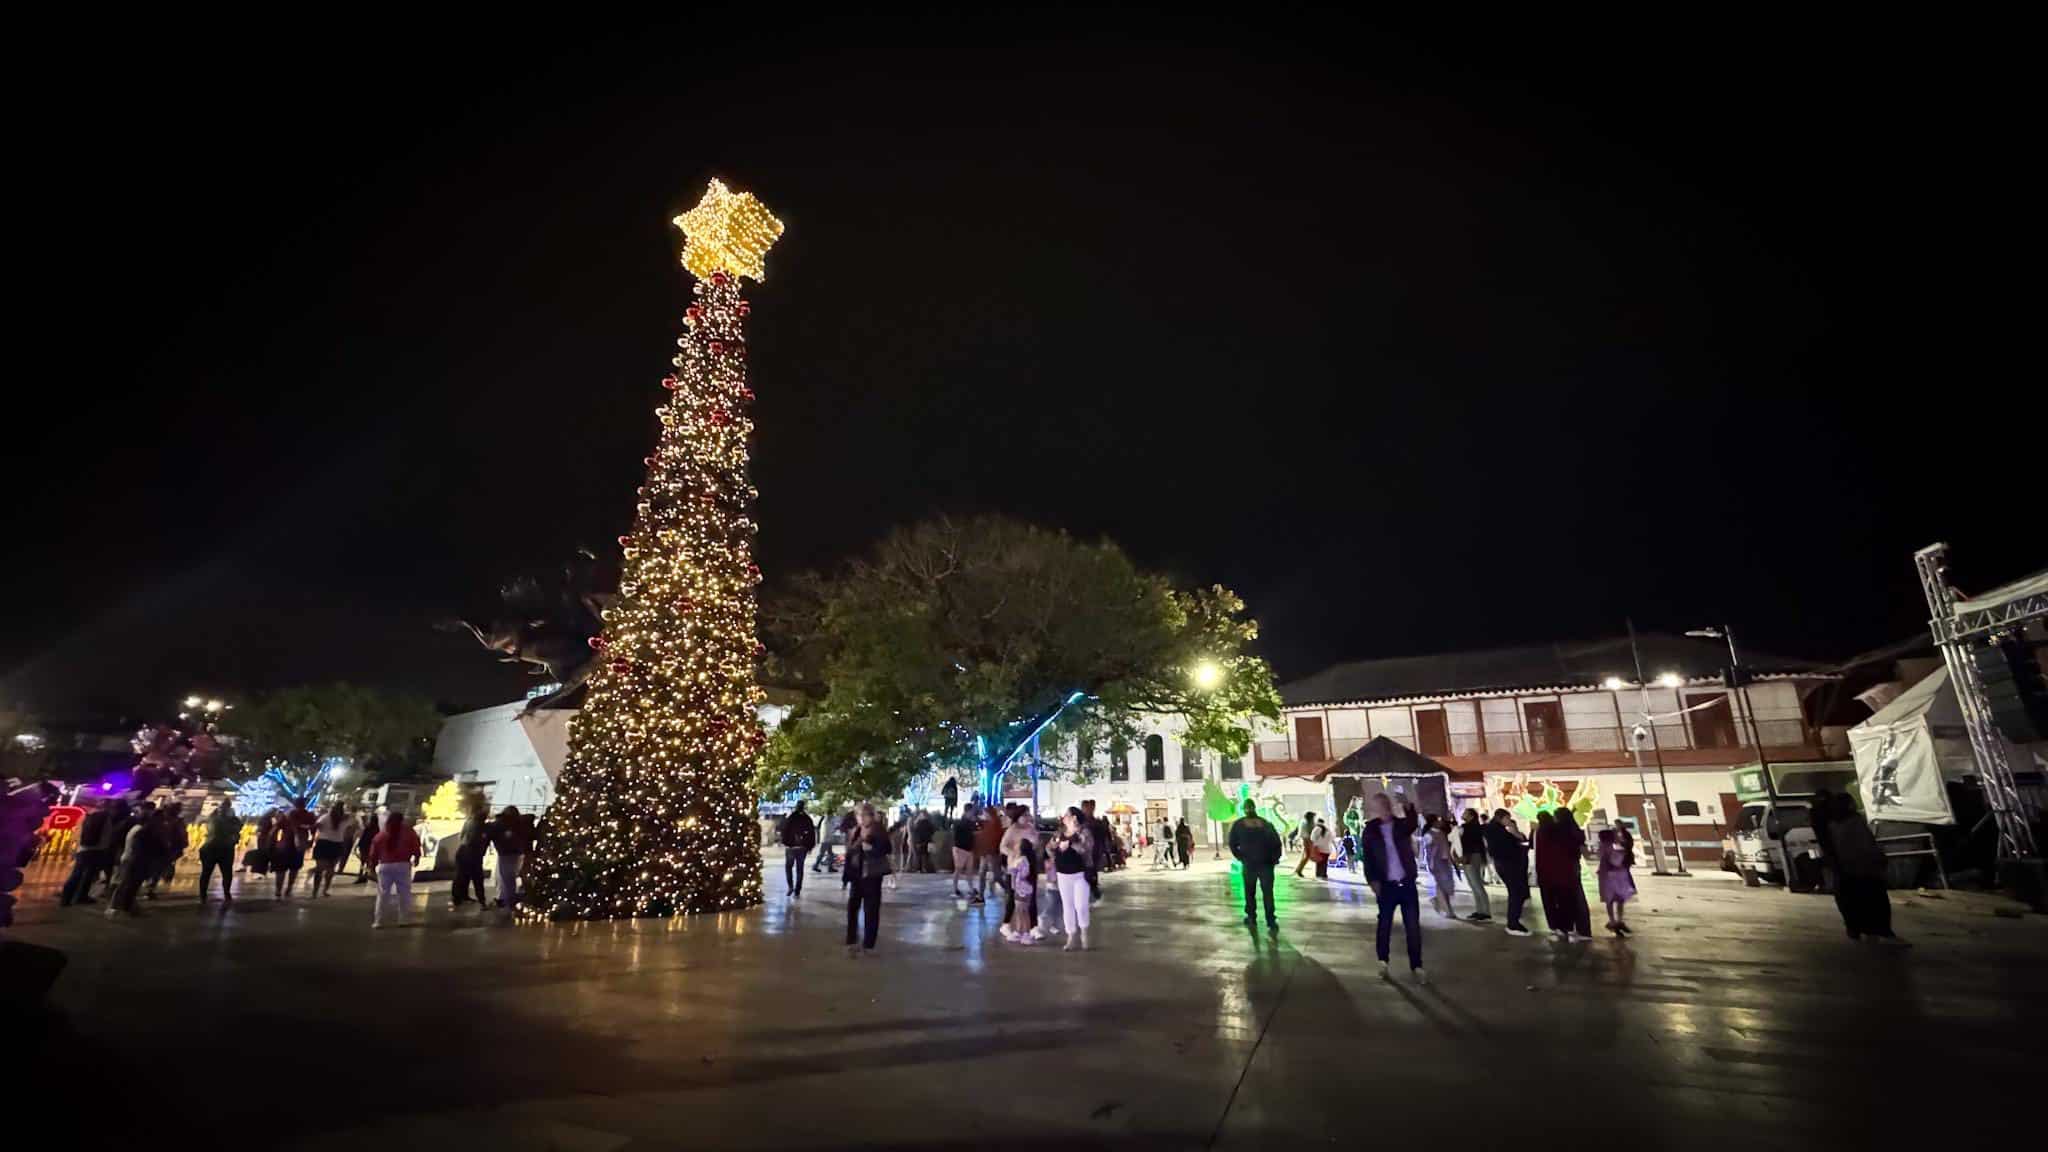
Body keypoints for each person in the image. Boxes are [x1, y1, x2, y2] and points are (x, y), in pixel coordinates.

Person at [1360, 792, 1425, 982]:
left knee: (1412, 926)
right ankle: (1383, 962)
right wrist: (1372, 881)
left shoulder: (1400, 825)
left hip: (1406, 883)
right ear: (1374, 809)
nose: (1382, 808)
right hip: (1386, 885)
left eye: (1384, 804)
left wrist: (1407, 805)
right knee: (1384, 924)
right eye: (1378, 805)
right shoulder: (1371, 830)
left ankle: (1417, 965)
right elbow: (1368, 858)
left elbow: (1412, 823)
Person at [1826, 793, 1904, 944]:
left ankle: (1858, 930)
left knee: (1853, 902)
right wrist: (1879, 858)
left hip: (1847, 870)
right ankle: (1882, 932)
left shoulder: (1832, 824)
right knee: (1876, 901)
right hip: (1864, 869)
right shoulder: (1854, 822)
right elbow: (1865, 845)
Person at [1535, 809, 1592, 941]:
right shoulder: (1573, 830)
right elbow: (1581, 849)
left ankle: (1563, 929)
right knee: (1574, 900)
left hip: (1552, 872)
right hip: (1571, 870)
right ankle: (1579, 930)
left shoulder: (1548, 831)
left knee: (1558, 901)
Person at [1227, 797, 1281, 932]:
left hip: (1250, 864)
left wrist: (1240, 857)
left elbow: (1232, 843)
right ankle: (1270, 919)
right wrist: (1274, 859)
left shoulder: (1239, 825)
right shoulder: (1265, 823)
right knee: (1267, 892)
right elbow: (1277, 842)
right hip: (1266, 864)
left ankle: (1252, 917)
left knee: (1250, 891)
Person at [843, 802, 890, 955]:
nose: (861, 819)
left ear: (871, 816)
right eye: (858, 815)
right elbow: (850, 852)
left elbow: (887, 848)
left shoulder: (878, 830)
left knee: (871, 909)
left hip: (872, 875)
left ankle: (869, 944)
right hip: (856, 875)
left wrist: (872, 850)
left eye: (864, 815)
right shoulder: (855, 831)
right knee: (852, 907)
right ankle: (851, 940)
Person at [107, 804, 169, 917]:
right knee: (127, 884)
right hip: (135, 861)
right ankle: (117, 907)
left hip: (133, 860)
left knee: (129, 884)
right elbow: (140, 848)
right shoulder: (143, 831)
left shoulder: (138, 829)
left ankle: (125, 906)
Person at [59, 799, 124, 906]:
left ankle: (66, 898)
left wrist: (75, 849)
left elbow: (78, 833)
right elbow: (107, 836)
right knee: (86, 876)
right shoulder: (106, 818)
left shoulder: (88, 816)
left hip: (83, 849)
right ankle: (79, 897)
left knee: (77, 874)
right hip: (96, 850)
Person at [1482, 808, 1532, 936]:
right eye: (1507, 818)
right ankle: (1513, 924)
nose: (1509, 821)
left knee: (1516, 892)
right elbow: (1517, 842)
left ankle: (1513, 922)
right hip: (1507, 864)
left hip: (1505, 864)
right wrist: (1515, 834)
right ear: (1501, 818)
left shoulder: (1495, 829)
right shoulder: (1496, 831)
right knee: (1516, 892)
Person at [369, 811, 422, 929]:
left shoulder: (382, 834)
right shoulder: (408, 832)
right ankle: (403, 920)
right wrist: (417, 857)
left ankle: (378, 921)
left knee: (383, 894)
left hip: (385, 866)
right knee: (404, 893)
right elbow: (416, 845)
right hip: (403, 865)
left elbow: (374, 852)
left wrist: (372, 867)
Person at [1053, 807, 1095, 951]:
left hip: (1080, 873)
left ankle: (1084, 932)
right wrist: (1058, 845)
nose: (1063, 817)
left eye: (1066, 815)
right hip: (1062, 873)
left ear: (1074, 817)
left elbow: (1087, 848)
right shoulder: (1060, 832)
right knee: (1068, 906)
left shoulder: (1084, 832)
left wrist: (1071, 843)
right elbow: (1049, 847)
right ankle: (1071, 935)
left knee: (1081, 905)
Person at [197, 802, 243, 908]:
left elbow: (200, 822)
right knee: (224, 873)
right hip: (221, 849)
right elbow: (238, 829)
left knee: (208, 873)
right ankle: (225, 894)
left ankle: (204, 895)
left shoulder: (213, 817)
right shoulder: (228, 820)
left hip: (213, 848)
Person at [488, 805, 530, 913]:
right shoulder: (518, 823)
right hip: (515, 853)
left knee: (506, 878)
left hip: (505, 854)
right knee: (508, 878)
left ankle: (508, 900)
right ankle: (506, 899)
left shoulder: (500, 823)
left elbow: (491, 832)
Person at [309, 802, 354, 898]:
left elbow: (315, 826)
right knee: (331, 869)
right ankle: (325, 890)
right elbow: (349, 832)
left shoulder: (326, 817)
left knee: (319, 869)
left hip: (323, 843)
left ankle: (315, 892)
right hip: (337, 844)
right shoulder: (346, 818)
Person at [1456, 808, 1493, 922]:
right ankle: (1480, 910)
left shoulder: (1470, 828)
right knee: (1473, 884)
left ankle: (1485, 912)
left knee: (1476, 883)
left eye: (1465, 813)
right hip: (1471, 856)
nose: (1463, 814)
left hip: (1472, 856)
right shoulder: (1470, 827)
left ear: (1471, 816)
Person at [451, 797, 489, 909]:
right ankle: (481, 901)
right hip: (472, 854)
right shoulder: (480, 825)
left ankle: (459, 898)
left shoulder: (468, 821)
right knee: (477, 878)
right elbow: (478, 840)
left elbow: (462, 836)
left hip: (463, 851)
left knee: (461, 876)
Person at [146, 801, 188, 899]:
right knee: (158, 868)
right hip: (165, 848)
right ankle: (151, 888)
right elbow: (181, 835)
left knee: (157, 868)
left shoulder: (163, 819)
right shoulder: (174, 821)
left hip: (163, 848)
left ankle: (151, 887)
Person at [1597, 828, 1636, 935]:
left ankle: (1613, 921)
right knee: (1619, 899)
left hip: (1607, 876)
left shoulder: (1604, 847)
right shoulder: (1610, 848)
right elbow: (1616, 861)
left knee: (1610, 900)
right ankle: (1617, 921)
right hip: (1615, 876)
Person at [269, 803, 310, 899]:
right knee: (294, 869)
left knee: (280, 870)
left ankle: (278, 890)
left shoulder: (286, 817)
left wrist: (272, 843)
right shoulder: (307, 816)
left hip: (284, 846)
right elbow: (313, 828)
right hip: (298, 847)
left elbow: (274, 830)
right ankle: (289, 888)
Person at [1421, 815, 1457, 916]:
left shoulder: (1442, 833)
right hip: (1436, 863)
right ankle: (1448, 910)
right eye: (1438, 820)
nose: (1440, 822)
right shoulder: (1429, 835)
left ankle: (1438, 902)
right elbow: (1427, 851)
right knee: (1441, 885)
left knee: (1447, 886)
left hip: (1445, 862)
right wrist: (1430, 863)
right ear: (1433, 822)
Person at [780, 799, 816, 897]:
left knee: (788, 867)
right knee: (800, 869)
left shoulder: (791, 818)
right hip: (802, 848)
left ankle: (790, 886)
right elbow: (812, 833)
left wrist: (785, 842)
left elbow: (784, 830)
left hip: (791, 847)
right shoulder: (807, 819)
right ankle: (797, 890)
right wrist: (810, 846)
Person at [950, 804, 980, 899]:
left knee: (969, 870)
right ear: (968, 811)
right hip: (960, 848)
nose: (973, 813)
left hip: (968, 849)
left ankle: (971, 889)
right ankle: (955, 889)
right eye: (972, 811)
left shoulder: (968, 822)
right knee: (958, 869)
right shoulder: (962, 822)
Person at [1082, 799, 1108, 901]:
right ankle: (1091, 888)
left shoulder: (1096, 822)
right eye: (1087, 808)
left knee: (1092, 870)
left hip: (1094, 850)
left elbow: (1102, 836)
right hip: (1086, 851)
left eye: (1091, 807)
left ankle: (1093, 887)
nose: (1089, 810)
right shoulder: (1082, 822)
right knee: (1088, 871)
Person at [353, 809, 379, 885]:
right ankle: (366, 876)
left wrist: (357, 846)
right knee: (368, 863)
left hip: (364, 846)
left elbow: (363, 837)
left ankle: (361, 876)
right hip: (370, 848)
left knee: (362, 862)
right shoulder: (377, 829)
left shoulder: (368, 828)